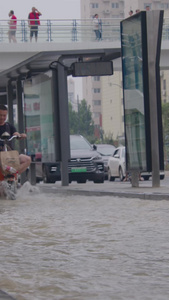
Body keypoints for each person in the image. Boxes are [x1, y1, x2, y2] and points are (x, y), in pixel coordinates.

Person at [0, 105, 31, 175]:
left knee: (27, 159)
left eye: (4, 115)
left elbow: (15, 133)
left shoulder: (9, 126)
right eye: (0, 115)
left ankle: (14, 174)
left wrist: (20, 135)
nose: (2, 117)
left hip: (10, 155)